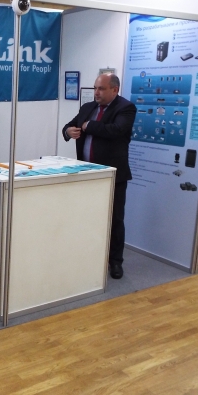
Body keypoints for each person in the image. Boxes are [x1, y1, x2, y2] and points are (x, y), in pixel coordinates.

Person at [62, 73, 136, 279]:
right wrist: (68, 131)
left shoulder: (125, 108)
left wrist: (89, 126)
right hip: (87, 175)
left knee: (114, 220)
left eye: (101, 89)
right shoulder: (88, 108)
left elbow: (116, 130)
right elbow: (70, 125)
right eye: (95, 88)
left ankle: (115, 262)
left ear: (115, 89)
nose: (96, 92)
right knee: (88, 217)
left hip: (113, 177)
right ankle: (90, 257)